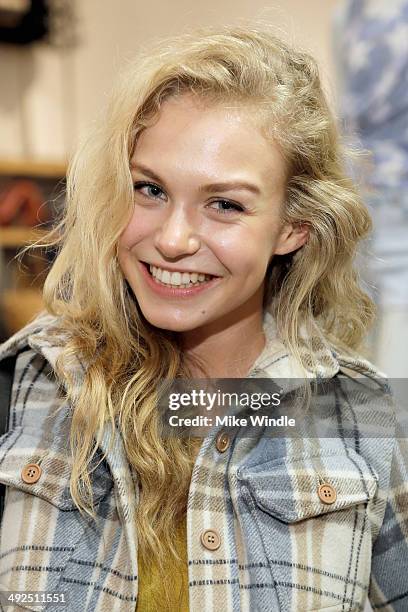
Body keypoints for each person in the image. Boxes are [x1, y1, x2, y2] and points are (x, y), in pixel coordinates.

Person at [0, 25, 406, 612]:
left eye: (225, 204)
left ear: (292, 228)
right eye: (150, 189)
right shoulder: (27, 383)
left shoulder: (360, 416)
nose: (172, 239)